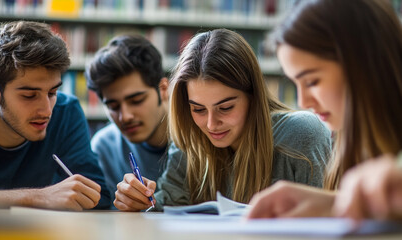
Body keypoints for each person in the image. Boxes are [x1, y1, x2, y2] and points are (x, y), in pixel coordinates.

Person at [114, 28, 332, 211]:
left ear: (254, 97)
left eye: (225, 108)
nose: (210, 124)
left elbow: (322, 222)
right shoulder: (191, 137)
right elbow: (167, 209)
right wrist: (139, 201)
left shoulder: (301, 134)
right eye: (198, 109)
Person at [246, 0, 402, 220]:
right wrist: (332, 204)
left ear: (361, 62)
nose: (303, 102)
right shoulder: (351, 144)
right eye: (295, 84)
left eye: (311, 81)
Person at [0, 21, 110, 210]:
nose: (47, 111)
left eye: (52, 93)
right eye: (29, 95)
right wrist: (37, 197)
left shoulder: (66, 112)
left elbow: (99, 196)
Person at [85, 35, 169, 209]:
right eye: (113, 106)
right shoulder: (103, 147)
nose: (125, 116)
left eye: (136, 100)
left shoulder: (200, 134)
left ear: (163, 90)